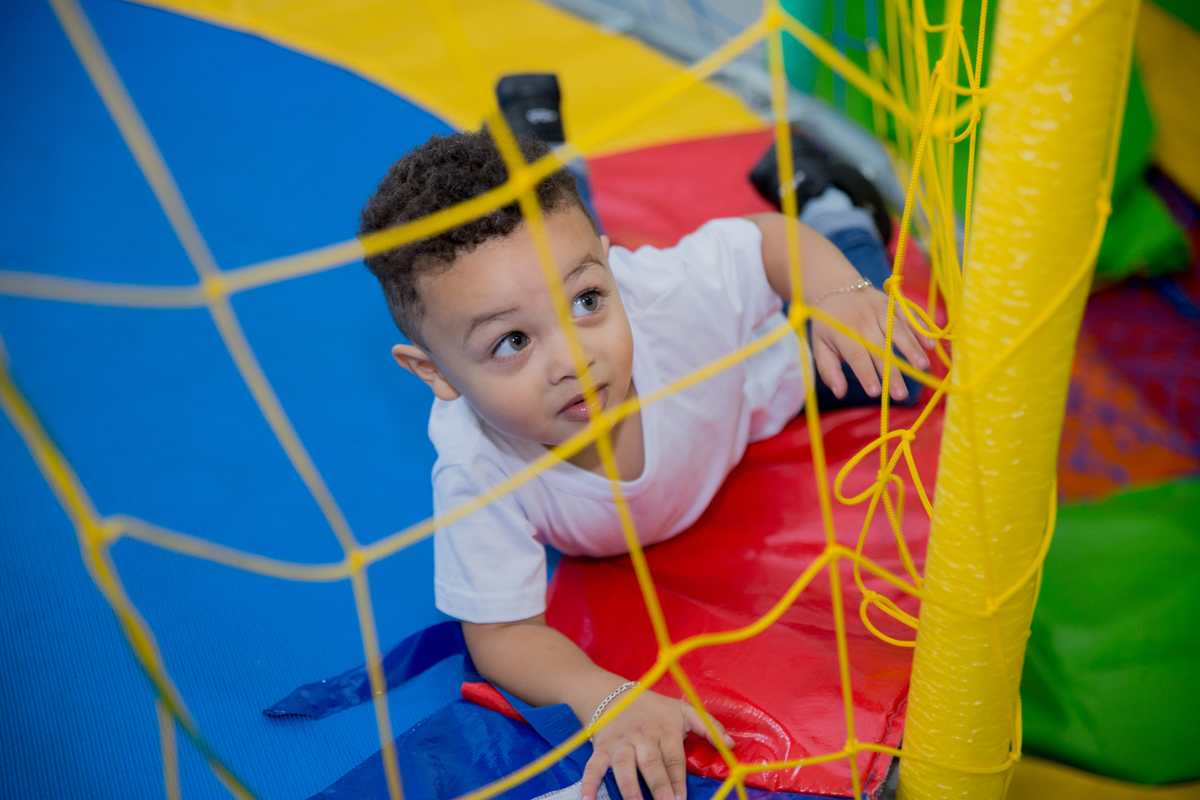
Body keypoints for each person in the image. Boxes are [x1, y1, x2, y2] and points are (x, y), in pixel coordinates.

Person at [359, 130, 931, 800]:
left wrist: (837, 291)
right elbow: (502, 634)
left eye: (587, 301)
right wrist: (600, 694)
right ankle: (539, 129)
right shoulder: (476, 464)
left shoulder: (666, 294)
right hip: (696, 458)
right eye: (512, 341)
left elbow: (766, 242)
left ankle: (832, 202)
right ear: (433, 373)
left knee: (883, 355)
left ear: (612, 271)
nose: (574, 359)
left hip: (763, 387)